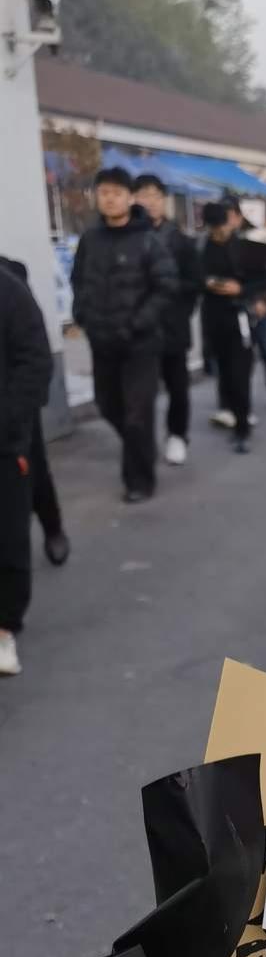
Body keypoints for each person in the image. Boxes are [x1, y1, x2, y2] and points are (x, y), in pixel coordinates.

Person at [70, 166, 177, 502]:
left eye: (116, 192)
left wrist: (137, 323)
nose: (110, 198)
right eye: (104, 192)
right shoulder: (90, 239)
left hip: (139, 344)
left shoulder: (148, 240)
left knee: (136, 414)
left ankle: (139, 481)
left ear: (130, 198)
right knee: (108, 406)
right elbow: (78, 281)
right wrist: (82, 315)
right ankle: (143, 447)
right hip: (102, 342)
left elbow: (166, 286)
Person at [0, 261, 54, 676]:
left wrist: (9, 422)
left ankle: (4, 630)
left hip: (5, 443)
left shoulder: (10, 291)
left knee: (8, 540)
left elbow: (34, 361)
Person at [0, 255, 68, 568]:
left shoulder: (10, 278)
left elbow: (33, 355)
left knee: (34, 470)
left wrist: (14, 409)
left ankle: (52, 527)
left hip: (14, 404)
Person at [130, 174, 201, 467]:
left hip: (172, 326)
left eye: (155, 196)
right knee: (140, 391)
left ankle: (177, 435)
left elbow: (194, 283)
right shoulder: (129, 238)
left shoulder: (181, 241)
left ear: (164, 201)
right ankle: (142, 441)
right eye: (144, 195)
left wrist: (174, 303)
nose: (150, 202)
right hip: (139, 328)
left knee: (177, 386)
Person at [200, 201, 266, 452]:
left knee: (240, 373)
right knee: (225, 375)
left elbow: (264, 279)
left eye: (222, 226)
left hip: (240, 317)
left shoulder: (244, 248)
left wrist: (243, 290)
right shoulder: (201, 247)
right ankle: (231, 412)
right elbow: (191, 278)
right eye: (214, 227)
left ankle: (242, 428)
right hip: (213, 318)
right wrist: (207, 283)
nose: (219, 232)